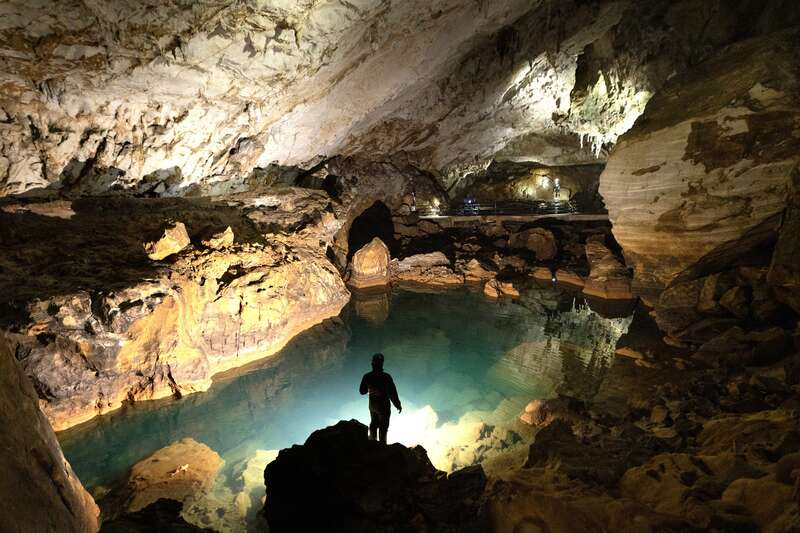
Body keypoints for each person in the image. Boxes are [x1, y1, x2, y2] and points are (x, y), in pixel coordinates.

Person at [359, 353, 401, 443]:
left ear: (372, 364)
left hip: (372, 405)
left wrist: (370, 388)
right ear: (382, 363)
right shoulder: (386, 377)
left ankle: (372, 443)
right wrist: (397, 404)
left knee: (373, 424)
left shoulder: (367, 376)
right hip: (383, 406)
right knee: (383, 427)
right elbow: (392, 392)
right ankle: (382, 446)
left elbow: (362, 391)